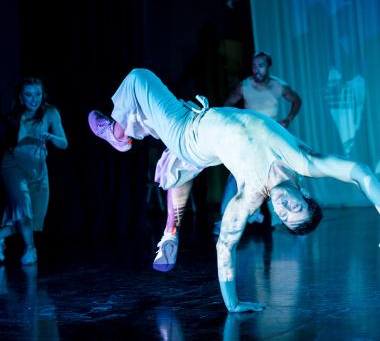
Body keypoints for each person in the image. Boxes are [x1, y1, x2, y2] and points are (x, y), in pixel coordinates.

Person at [88, 68, 380, 312]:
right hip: (198, 120)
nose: (282, 208)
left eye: (283, 215)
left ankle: (117, 134)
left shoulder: (250, 195)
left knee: (140, 78)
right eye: (294, 207)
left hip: (186, 134)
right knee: (170, 153)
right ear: (305, 195)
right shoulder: (304, 161)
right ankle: (168, 232)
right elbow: (360, 173)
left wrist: (233, 304)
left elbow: (225, 247)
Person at [215, 50, 302, 234]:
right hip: (250, 140)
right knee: (236, 178)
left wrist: (288, 119)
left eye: (260, 66)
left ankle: (279, 218)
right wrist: (235, 124)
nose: (256, 70)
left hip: (271, 139)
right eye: (254, 66)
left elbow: (296, 100)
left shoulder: (277, 86)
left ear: (268, 67)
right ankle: (225, 220)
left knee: (276, 176)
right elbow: (225, 106)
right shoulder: (244, 86)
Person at [0, 77, 68, 265]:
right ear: (21, 98)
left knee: (32, 218)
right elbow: (16, 141)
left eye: (37, 94)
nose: (34, 99)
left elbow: (64, 143)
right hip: (13, 166)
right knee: (24, 206)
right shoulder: (16, 115)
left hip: (38, 170)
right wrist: (26, 135)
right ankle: (30, 250)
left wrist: (50, 136)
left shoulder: (51, 112)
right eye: (28, 95)